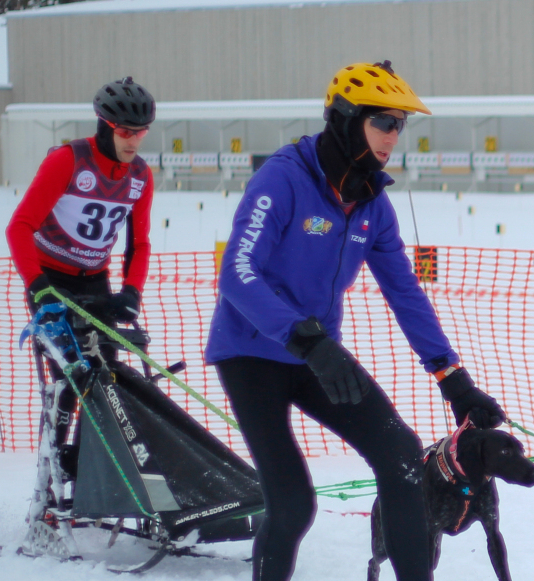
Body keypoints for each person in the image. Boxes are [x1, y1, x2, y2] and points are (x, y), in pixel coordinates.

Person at [204, 61, 505, 581]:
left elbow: (405, 293)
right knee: (294, 504)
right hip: (252, 353)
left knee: (404, 458)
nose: (394, 136)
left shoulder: (372, 205)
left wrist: (453, 379)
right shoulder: (283, 179)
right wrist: (306, 338)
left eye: (400, 125)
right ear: (347, 119)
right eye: (384, 122)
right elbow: (236, 274)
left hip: (318, 357)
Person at [6, 76, 157, 475]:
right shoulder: (69, 160)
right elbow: (19, 226)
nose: (134, 141)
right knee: (68, 378)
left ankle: (94, 476)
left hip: (96, 283)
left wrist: (131, 291)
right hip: (51, 279)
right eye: (126, 132)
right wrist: (38, 287)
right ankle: (50, 482)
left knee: (107, 380)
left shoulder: (140, 175)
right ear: (104, 125)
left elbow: (138, 244)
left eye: (141, 132)